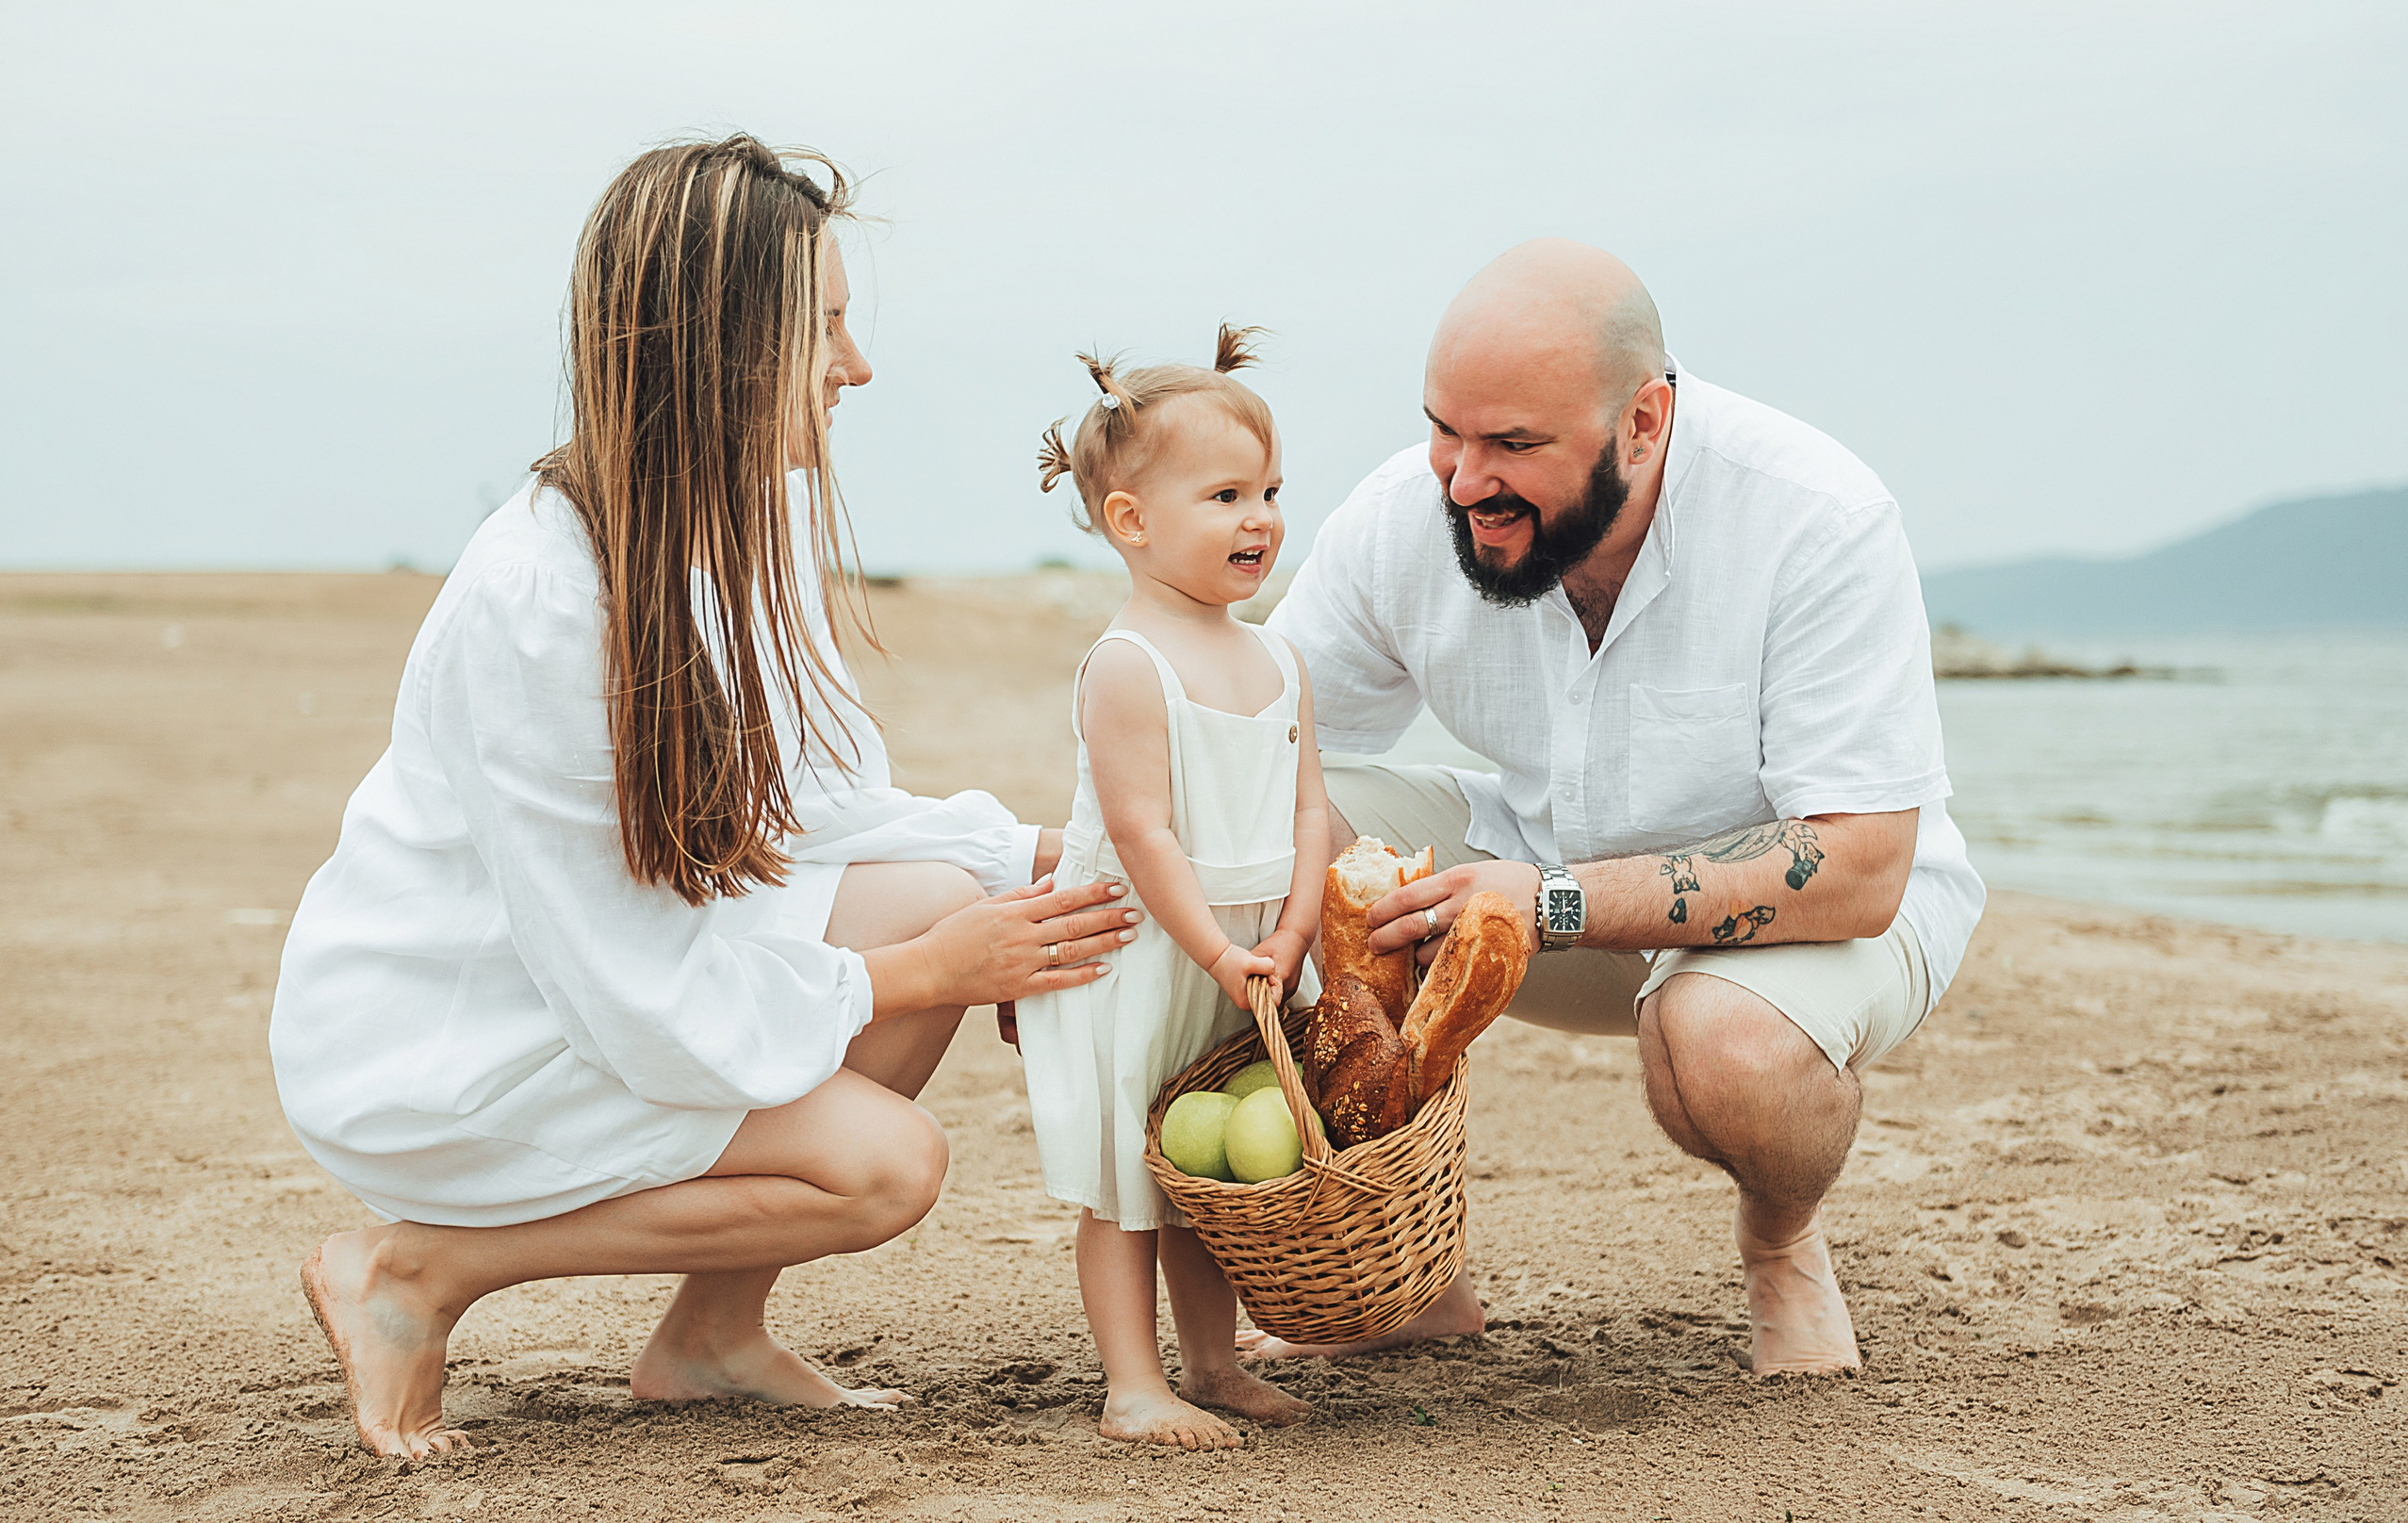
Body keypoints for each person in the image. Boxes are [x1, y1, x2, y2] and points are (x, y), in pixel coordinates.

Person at [268, 136, 1142, 1459]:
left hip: (609, 970)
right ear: (720, 346)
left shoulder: (746, 513)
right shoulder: (545, 599)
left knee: (949, 893)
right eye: (827, 329)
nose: (857, 367)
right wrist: (924, 973)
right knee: (887, 1165)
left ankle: (709, 1335)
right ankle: (417, 1269)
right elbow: (623, 987)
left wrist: (1043, 869)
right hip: (463, 1033)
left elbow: (816, 807)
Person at [1257, 239, 1986, 1375]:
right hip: (1530, 881)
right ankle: (1406, 1261)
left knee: (1722, 1043)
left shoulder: (1813, 514)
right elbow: (1242, 733)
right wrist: (1098, 902)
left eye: (1513, 444)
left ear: (1643, 421)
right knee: (1253, 833)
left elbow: (1859, 864)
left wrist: (1546, 900)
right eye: (1445, 428)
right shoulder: (1408, 511)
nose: (1460, 479)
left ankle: (1782, 1241)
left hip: (1812, 922)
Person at [1014, 327, 1327, 1449]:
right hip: (1147, 949)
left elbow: (1304, 808)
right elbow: (1143, 833)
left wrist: (1294, 925)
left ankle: (1211, 1358)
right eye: (1226, 494)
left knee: (1209, 1165)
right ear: (1132, 522)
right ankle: (1132, 1382)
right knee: (1126, 1179)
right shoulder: (1129, 663)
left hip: (1252, 945)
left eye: (1271, 491)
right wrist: (1211, 948)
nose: (1260, 518)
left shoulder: (1279, 657)